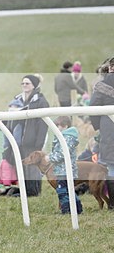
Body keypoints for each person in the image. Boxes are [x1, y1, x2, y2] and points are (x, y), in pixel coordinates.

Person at [2, 74, 50, 197]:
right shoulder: (18, 99)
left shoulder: (41, 101)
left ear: (34, 85)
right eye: (23, 83)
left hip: (32, 140)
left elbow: (43, 124)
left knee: (32, 166)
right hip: (18, 140)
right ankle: (24, 189)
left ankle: (33, 191)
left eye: (27, 83)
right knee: (22, 165)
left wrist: (39, 143)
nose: (24, 85)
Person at [89, 56, 114, 207]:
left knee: (112, 167)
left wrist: (100, 127)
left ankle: (112, 204)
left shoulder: (102, 85)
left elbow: (93, 108)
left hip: (109, 129)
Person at [48, 116, 83, 215]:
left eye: (59, 126)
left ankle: (66, 210)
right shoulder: (64, 137)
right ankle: (77, 209)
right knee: (69, 190)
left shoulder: (67, 138)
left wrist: (50, 157)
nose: (57, 128)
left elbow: (62, 154)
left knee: (62, 191)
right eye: (56, 126)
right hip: (62, 170)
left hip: (65, 170)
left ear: (66, 126)